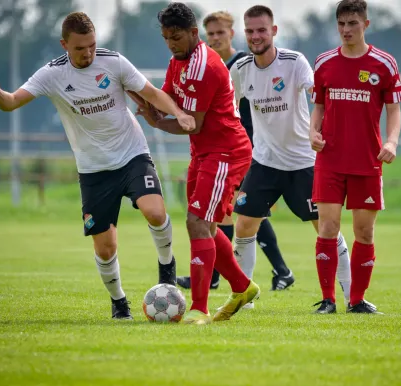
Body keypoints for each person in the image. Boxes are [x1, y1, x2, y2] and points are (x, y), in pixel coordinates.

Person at [0, 12, 195, 320]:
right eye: (80, 48)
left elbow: (151, 93)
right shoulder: (51, 74)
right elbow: (12, 101)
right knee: (106, 247)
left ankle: (167, 268)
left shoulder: (114, 62)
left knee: (155, 211)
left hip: (132, 154)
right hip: (93, 171)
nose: (88, 53)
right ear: (64, 45)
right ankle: (119, 302)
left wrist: (179, 113)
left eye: (92, 46)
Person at [136, 2, 260, 325]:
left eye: (175, 37)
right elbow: (165, 101)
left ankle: (199, 309)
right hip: (204, 153)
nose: (170, 43)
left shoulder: (204, 65)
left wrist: (157, 123)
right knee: (206, 224)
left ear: (193, 33)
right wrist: (143, 101)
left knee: (196, 222)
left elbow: (194, 123)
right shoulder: (177, 61)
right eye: (165, 38)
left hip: (226, 151)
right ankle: (243, 287)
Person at [229, 5, 353, 312]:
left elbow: (319, 97)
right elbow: (228, 109)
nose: (255, 36)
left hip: (304, 163)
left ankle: (352, 296)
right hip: (264, 161)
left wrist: (322, 130)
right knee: (244, 225)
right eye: (250, 31)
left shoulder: (294, 62)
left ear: (273, 31)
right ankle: (244, 298)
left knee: (326, 228)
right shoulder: (240, 70)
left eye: (261, 30)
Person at [175, 10, 294, 293]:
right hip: (225, 149)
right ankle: (230, 273)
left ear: (232, 34)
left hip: (244, 148)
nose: (215, 38)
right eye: (211, 34)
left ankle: (274, 271)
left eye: (221, 33)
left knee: (243, 210)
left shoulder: (241, 63)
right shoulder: (207, 63)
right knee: (235, 211)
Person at [311, 0, 401, 314]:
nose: (346, 30)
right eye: (341, 24)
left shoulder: (384, 64)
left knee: (364, 231)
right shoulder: (324, 63)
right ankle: (328, 299)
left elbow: (394, 110)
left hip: (367, 160)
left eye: (352, 23)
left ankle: (357, 300)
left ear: (366, 24)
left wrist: (391, 141)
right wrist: (313, 132)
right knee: (328, 226)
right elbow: (319, 107)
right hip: (330, 159)